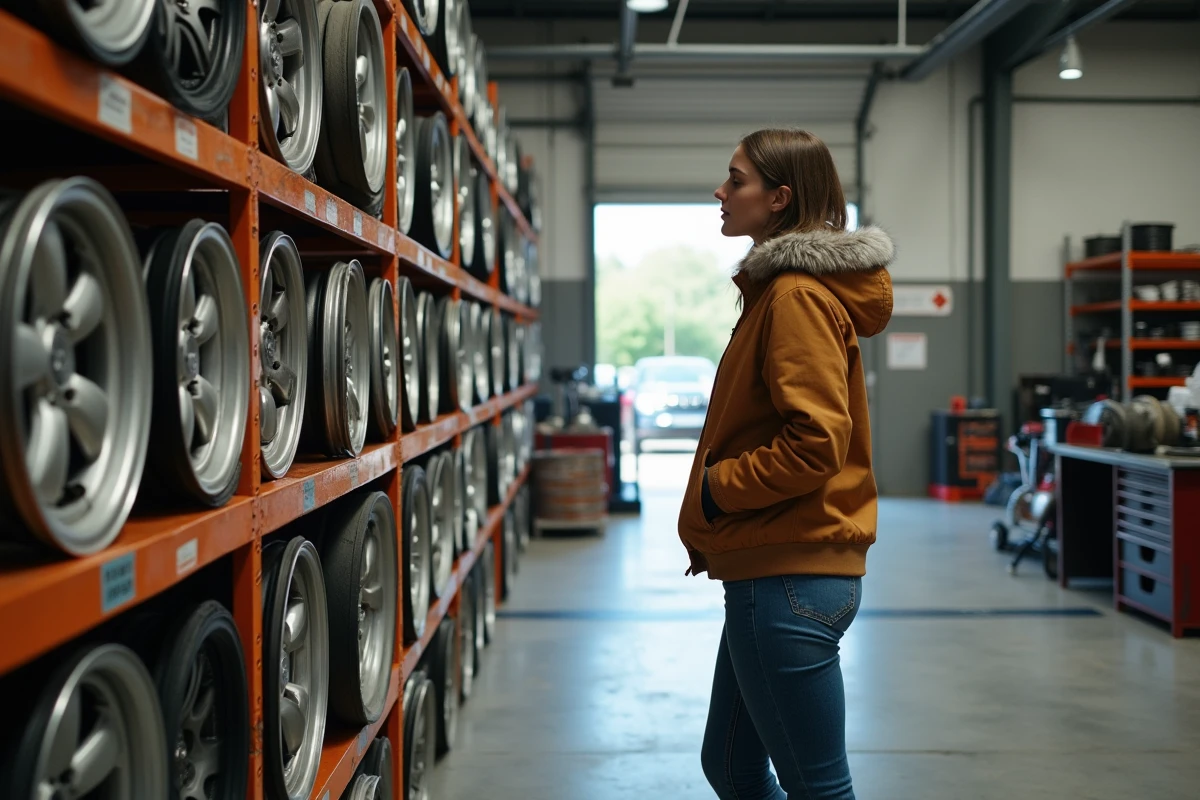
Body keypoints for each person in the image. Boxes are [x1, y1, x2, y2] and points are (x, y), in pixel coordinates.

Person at [678, 128, 895, 800]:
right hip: (771, 570)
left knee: (817, 787)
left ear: (778, 198)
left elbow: (816, 442)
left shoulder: (796, 295)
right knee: (734, 765)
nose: (720, 191)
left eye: (735, 179)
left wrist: (718, 490)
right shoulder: (776, 292)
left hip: (789, 578)